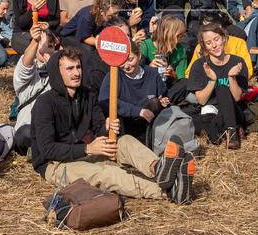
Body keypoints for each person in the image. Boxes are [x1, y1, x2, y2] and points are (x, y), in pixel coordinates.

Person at [30, 47, 195, 203]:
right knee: (108, 174)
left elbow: (98, 129)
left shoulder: (87, 95)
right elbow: (47, 149)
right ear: (57, 72)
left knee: (125, 141)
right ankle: (167, 192)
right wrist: (87, 148)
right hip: (56, 164)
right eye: (70, 69)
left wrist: (106, 127)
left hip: (84, 153)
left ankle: (159, 168)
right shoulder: (45, 103)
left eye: (78, 67)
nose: (77, 73)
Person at [187, 23, 249, 149]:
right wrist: (212, 80)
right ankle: (226, 129)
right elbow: (202, 100)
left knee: (222, 87)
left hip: (233, 109)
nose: (214, 45)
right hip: (209, 110)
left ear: (224, 38)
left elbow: (237, 97)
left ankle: (231, 132)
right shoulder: (199, 65)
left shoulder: (237, 62)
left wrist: (232, 78)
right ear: (204, 46)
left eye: (216, 39)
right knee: (207, 130)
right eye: (208, 43)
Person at [98, 43, 171, 143]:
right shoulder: (113, 76)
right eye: (122, 61)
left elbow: (164, 95)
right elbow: (104, 101)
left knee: (154, 103)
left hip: (148, 125)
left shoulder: (152, 74)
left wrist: (163, 102)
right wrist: (138, 111)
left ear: (139, 56)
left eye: (130, 59)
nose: (126, 65)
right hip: (124, 125)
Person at [12, 23, 58, 154]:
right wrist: (35, 40)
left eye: (50, 46)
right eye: (42, 46)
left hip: (53, 130)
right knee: (25, 133)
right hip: (29, 129)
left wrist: (53, 65)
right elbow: (26, 65)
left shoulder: (61, 70)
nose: (46, 50)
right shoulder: (27, 71)